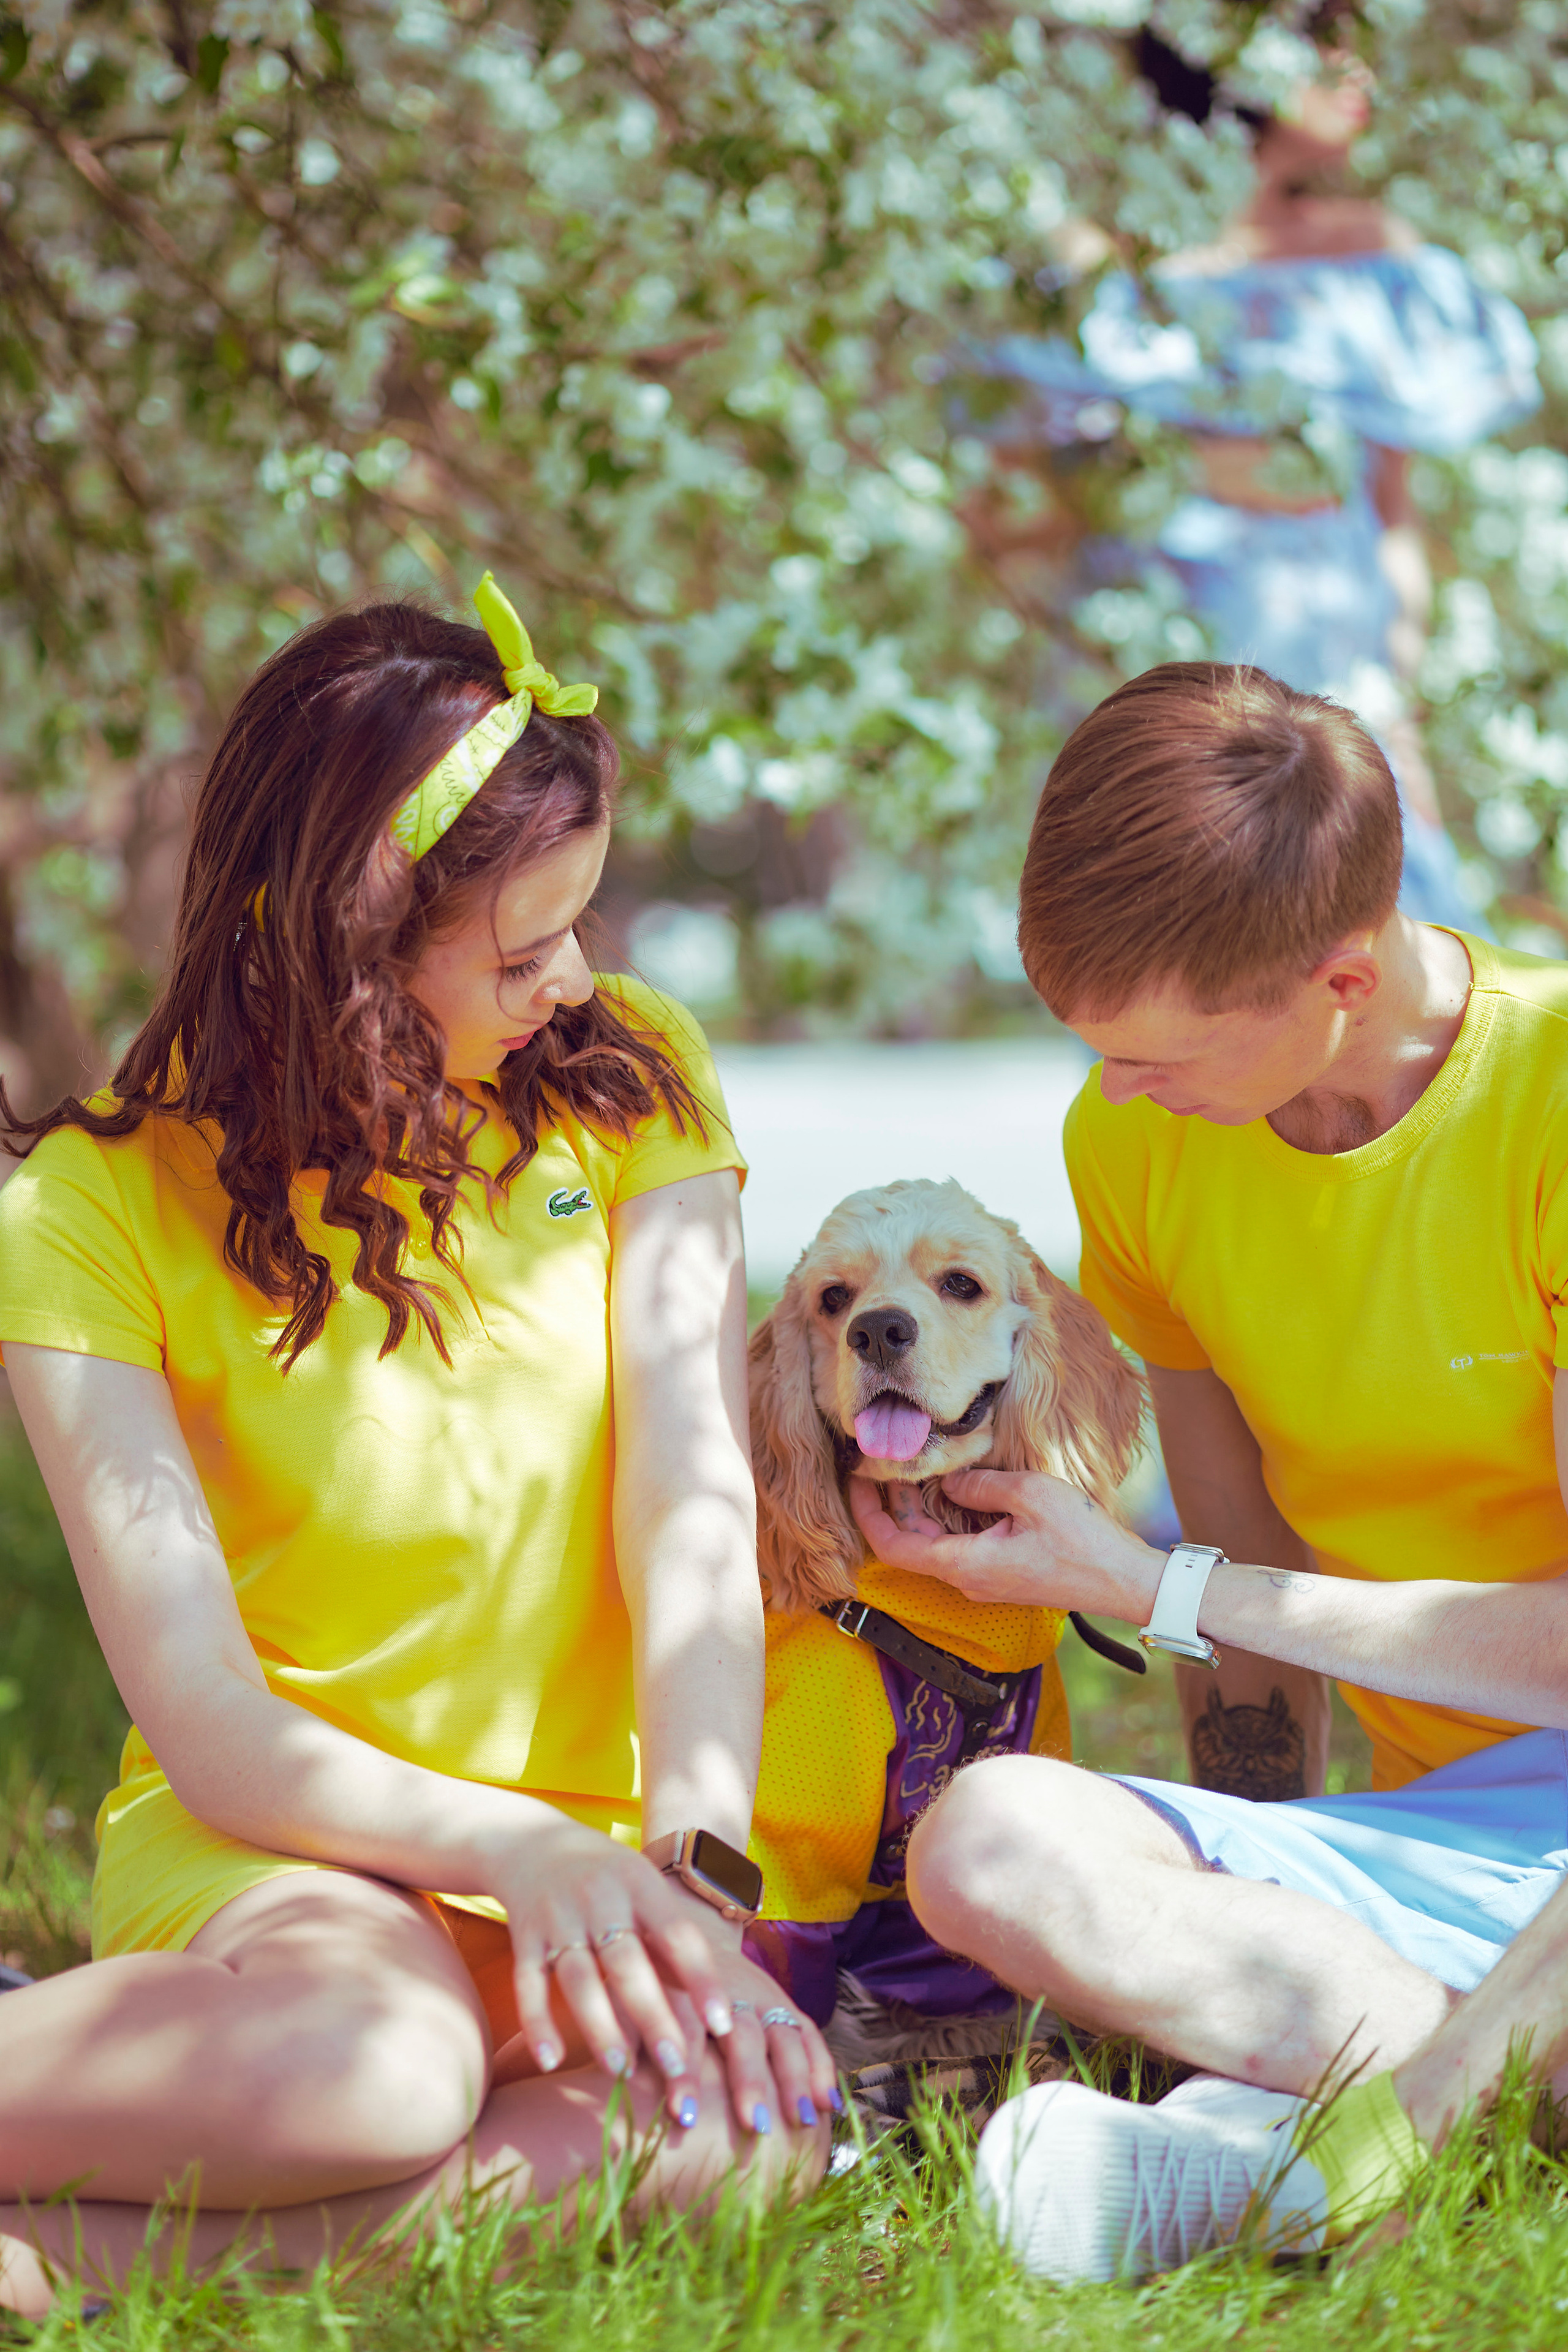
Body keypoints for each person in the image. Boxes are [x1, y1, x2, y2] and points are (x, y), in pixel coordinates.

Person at [0, 581, 834, 2320]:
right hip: (296, 1859)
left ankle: (69, 2264)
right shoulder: (87, 1212)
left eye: (582, 928)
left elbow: (689, 1503)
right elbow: (211, 1723)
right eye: (522, 954)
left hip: (601, 1858)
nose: (578, 983)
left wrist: (695, 1883)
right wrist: (510, 1851)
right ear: (344, 947)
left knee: (744, 2128)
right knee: (382, 2079)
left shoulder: (632, 1086)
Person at [848, 662, 1568, 2277]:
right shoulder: (1140, 1144)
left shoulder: (1554, 1105)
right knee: (993, 1840)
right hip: (1444, 1858)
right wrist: (1219, 1941)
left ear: (1338, 978)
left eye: (1157, 1052)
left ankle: (1341, 2149)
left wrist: (1149, 1582)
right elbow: (1247, 1605)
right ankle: (1434, 2082)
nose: (1114, 1093)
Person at [959, 6, 1539, 934]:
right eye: (1328, 43)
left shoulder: (1374, 256)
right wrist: (1182, 469)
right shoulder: (1088, 271)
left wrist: (1404, 704)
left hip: (1336, 678)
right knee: (1174, 962)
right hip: (1157, 669)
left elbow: (1390, 512)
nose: (1361, 73)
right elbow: (1001, 500)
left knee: (1376, 950)